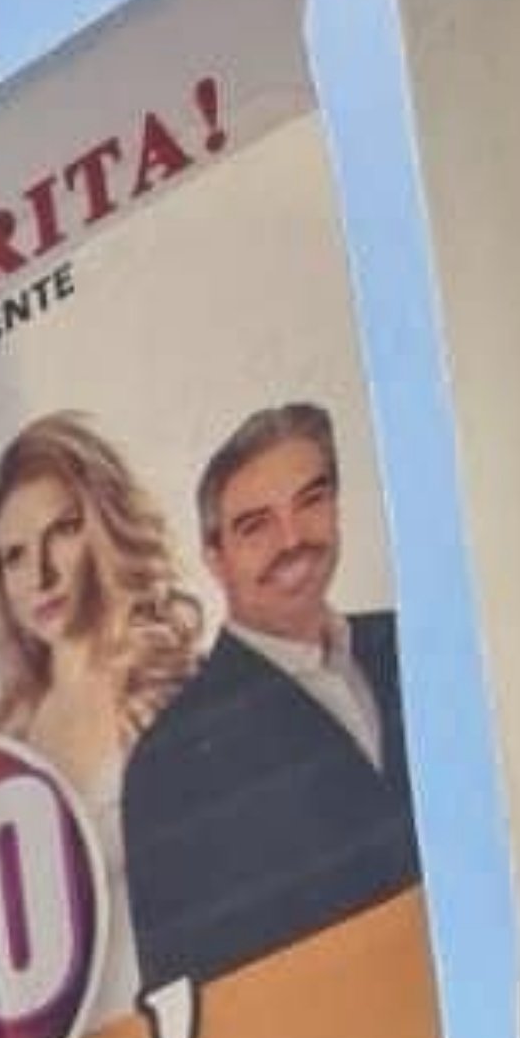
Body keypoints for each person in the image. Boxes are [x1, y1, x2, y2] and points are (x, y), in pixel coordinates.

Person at [122, 396, 426, 995]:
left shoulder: (416, 643)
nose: (293, 540)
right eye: (256, 526)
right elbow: (191, 1002)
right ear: (216, 557)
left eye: (310, 501)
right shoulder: (175, 760)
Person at [0, 414, 207, 1015]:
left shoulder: (173, 685)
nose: (41, 575)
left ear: (105, 530)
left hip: (183, 1012)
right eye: (15, 556)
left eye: (64, 530)